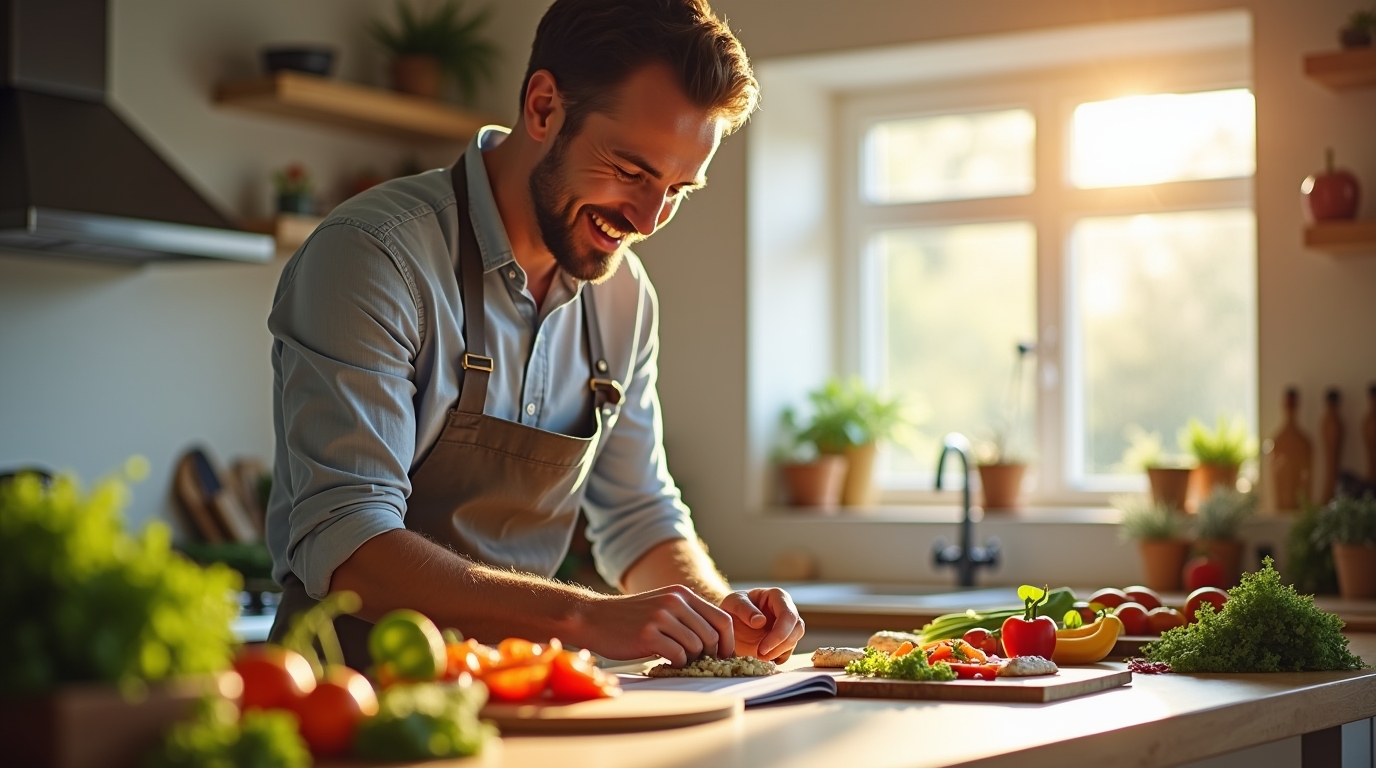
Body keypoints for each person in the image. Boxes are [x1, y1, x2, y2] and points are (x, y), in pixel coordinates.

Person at [264, 0, 804, 668]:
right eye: (633, 172)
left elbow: (638, 516)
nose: (648, 218)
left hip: (524, 696)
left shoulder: (625, 297)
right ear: (544, 107)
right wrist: (584, 616)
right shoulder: (374, 256)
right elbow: (350, 542)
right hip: (349, 703)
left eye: (678, 189)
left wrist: (717, 616)